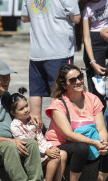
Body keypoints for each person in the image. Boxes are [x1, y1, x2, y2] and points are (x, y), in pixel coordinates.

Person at [45, 64, 108, 181]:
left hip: (88, 143)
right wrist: (94, 143)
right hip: (63, 145)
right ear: (64, 85)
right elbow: (68, 134)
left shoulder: (92, 99)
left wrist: (102, 142)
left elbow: (102, 129)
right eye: (72, 80)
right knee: (81, 147)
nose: (78, 81)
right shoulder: (58, 104)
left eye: (80, 77)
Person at [20, 0, 80, 128]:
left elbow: (24, 17)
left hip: (37, 50)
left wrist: (42, 18)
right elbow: (76, 18)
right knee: (59, 92)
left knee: (36, 91)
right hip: (59, 49)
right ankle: (58, 130)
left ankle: (36, 130)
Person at [9, 87, 67, 181]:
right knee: (55, 158)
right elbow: (26, 144)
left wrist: (49, 148)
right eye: (21, 109)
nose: (26, 110)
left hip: (41, 152)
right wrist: (46, 152)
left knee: (63, 154)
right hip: (30, 155)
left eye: (26, 106)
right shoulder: (15, 125)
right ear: (13, 113)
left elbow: (40, 139)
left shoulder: (33, 120)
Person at [76, 0, 108, 107]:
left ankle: (105, 73)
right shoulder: (86, 8)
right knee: (98, 94)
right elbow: (87, 38)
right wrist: (92, 62)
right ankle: (99, 121)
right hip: (94, 41)